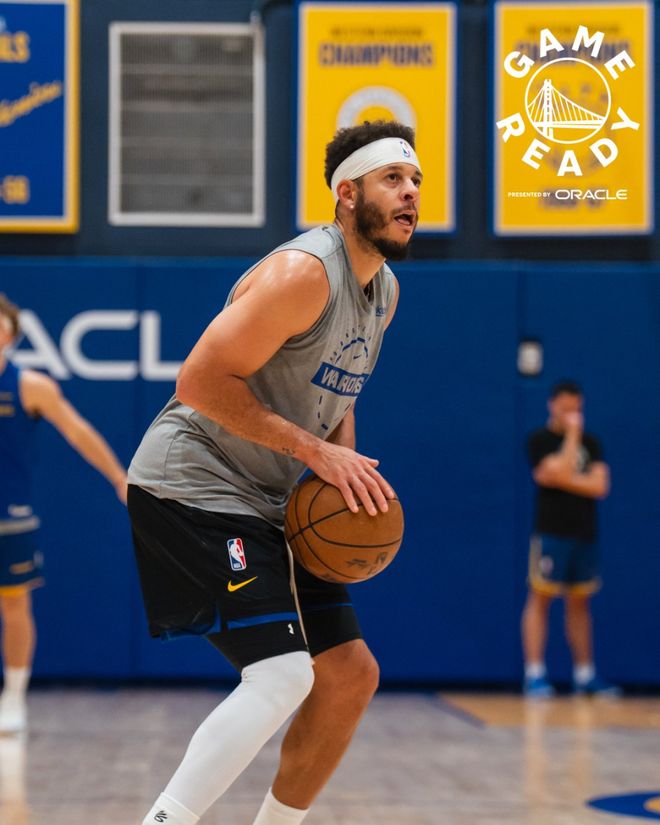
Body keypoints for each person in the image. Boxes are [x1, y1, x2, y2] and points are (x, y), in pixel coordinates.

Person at [127, 119, 421, 825]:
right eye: (393, 179)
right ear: (347, 194)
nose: (411, 192)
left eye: (416, 180)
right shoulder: (303, 274)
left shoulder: (384, 293)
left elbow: (340, 392)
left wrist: (340, 473)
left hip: (269, 497)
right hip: (193, 482)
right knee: (284, 674)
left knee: (348, 675)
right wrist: (316, 453)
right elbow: (198, 381)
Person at [0, 293, 128, 733]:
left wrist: (118, 477)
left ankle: (14, 696)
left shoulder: (29, 386)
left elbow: (78, 431)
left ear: (11, 336)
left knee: (14, 603)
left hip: (9, 516)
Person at [521, 380, 620, 698]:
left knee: (580, 602)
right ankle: (535, 673)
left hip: (584, 532)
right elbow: (554, 471)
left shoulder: (593, 443)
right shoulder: (540, 439)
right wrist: (573, 438)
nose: (572, 415)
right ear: (552, 405)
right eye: (566, 409)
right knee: (541, 598)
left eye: (576, 409)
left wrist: (563, 477)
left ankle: (584, 674)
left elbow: (600, 486)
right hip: (551, 531)